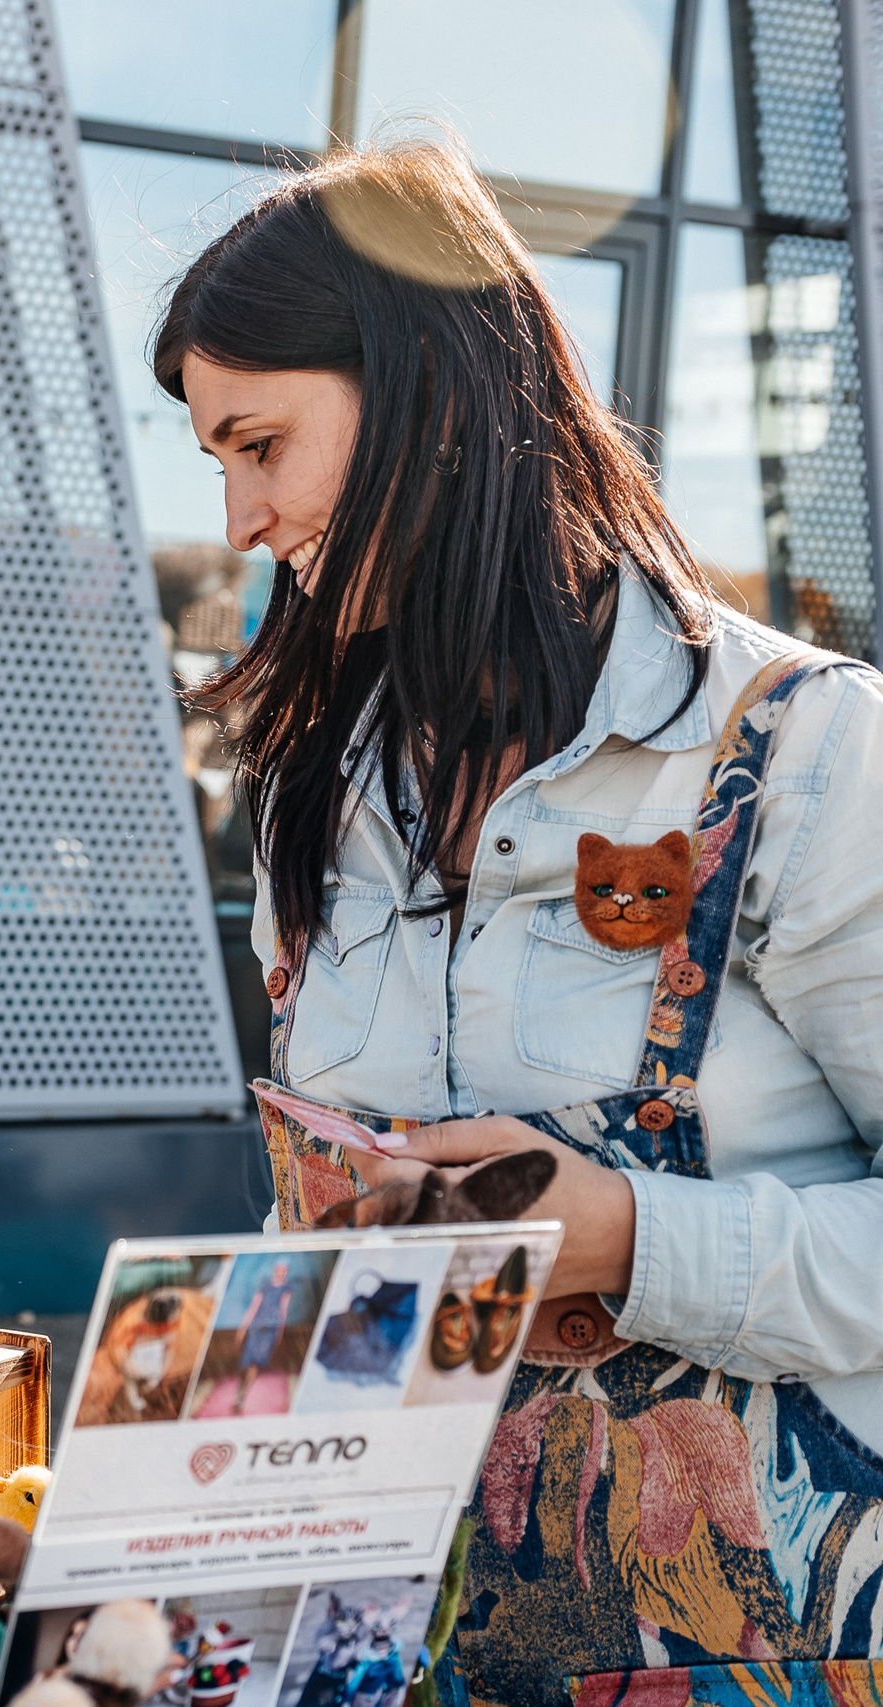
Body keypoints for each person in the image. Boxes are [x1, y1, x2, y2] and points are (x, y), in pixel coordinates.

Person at [159, 140, 883, 1702]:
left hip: (766, 1657)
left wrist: (628, 1237)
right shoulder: (324, 777)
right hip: (386, 1646)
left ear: (425, 389)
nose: (237, 515)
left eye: (260, 442)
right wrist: (164, 1550)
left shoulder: (807, 753)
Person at [229, 1259, 291, 1406]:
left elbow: (283, 1311)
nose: (280, 1273)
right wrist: (243, 1328)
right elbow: (253, 1307)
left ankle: (241, 1398)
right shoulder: (264, 1287)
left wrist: (280, 1333)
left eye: (283, 1270)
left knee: (255, 1364)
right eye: (278, 1270)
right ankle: (240, 1390)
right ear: (275, 1271)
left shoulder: (286, 1289)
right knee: (246, 1362)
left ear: (286, 1272)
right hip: (256, 1328)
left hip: (270, 1330)